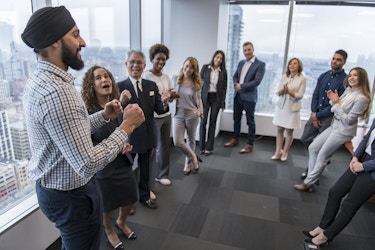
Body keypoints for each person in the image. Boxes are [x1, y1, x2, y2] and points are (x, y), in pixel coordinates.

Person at [21, 6, 144, 250]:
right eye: (76, 34)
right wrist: (127, 126)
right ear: (55, 41)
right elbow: (87, 162)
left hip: (55, 193)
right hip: (72, 198)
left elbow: (67, 132)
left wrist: (103, 116)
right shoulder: (58, 92)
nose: (83, 42)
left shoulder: (42, 80)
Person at [81, 65, 138, 249]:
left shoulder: (116, 105)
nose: (104, 80)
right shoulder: (87, 113)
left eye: (106, 76)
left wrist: (125, 143)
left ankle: (121, 222)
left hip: (122, 161)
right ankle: (109, 229)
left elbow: (122, 130)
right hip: (103, 166)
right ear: (91, 85)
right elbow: (87, 145)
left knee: (130, 197)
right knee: (107, 205)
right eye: (98, 78)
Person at [294, 67, 371, 192]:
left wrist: (336, 103)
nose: (351, 77)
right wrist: (334, 100)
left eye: (355, 75)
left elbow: (349, 120)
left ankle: (308, 182)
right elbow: (336, 107)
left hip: (343, 130)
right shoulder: (348, 91)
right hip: (334, 126)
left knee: (323, 156)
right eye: (350, 75)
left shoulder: (362, 98)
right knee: (313, 148)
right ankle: (314, 176)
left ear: (362, 78)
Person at [303, 117, 375, 246]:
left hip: (372, 169)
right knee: (335, 192)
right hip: (362, 159)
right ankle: (323, 227)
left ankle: (326, 237)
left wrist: (363, 166)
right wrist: (355, 157)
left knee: (349, 205)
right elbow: (367, 139)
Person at [118, 49, 170, 209]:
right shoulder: (119, 87)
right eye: (132, 62)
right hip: (129, 137)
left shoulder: (151, 85)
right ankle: (127, 203)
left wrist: (165, 102)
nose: (135, 65)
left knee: (145, 171)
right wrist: (121, 102)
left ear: (144, 66)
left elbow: (159, 110)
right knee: (126, 173)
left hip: (148, 135)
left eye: (139, 62)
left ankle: (145, 197)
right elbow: (115, 115)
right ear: (126, 64)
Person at [300, 50, 348, 179]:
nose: (334, 61)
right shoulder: (323, 75)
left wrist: (318, 116)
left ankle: (311, 170)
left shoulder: (345, 80)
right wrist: (314, 113)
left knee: (320, 147)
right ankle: (322, 160)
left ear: (344, 62)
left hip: (329, 118)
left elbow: (337, 104)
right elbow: (315, 95)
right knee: (305, 138)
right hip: (317, 113)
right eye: (333, 58)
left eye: (338, 59)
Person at [224, 41, 265, 153]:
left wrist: (241, 86)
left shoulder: (260, 64)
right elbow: (235, 76)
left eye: (249, 49)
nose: (247, 52)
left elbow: (257, 81)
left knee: (250, 121)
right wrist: (236, 85)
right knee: (236, 118)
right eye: (245, 50)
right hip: (238, 96)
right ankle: (236, 138)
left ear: (253, 50)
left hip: (249, 97)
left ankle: (250, 144)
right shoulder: (241, 62)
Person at [143, 44, 174, 186]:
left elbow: (171, 94)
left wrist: (171, 96)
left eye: (164, 59)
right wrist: (160, 98)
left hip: (167, 114)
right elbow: (145, 99)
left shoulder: (166, 77)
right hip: (154, 118)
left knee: (165, 146)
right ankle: (150, 179)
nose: (161, 62)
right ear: (152, 59)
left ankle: (162, 175)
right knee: (153, 148)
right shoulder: (146, 77)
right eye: (159, 59)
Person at [172, 57, 203, 175]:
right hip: (178, 114)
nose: (188, 69)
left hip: (192, 114)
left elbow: (199, 99)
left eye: (191, 67)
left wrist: (200, 111)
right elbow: (171, 95)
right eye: (186, 66)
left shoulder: (196, 83)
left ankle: (187, 164)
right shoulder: (175, 79)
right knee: (178, 142)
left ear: (194, 70)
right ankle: (194, 157)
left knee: (191, 140)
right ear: (183, 65)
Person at [272, 58, 306, 161]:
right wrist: (283, 90)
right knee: (279, 130)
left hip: (293, 108)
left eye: (294, 64)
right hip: (282, 106)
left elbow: (300, 95)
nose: (292, 65)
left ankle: (285, 152)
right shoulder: (284, 77)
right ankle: (278, 151)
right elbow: (278, 93)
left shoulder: (302, 79)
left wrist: (290, 92)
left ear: (299, 66)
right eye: (290, 64)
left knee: (289, 132)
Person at [199, 50, 228, 156]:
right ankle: (201, 146)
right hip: (205, 98)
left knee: (212, 123)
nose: (218, 60)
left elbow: (224, 89)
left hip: (216, 98)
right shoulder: (205, 68)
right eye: (217, 57)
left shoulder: (223, 72)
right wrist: (197, 101)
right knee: (203, 122)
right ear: (213, 57)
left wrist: (223, 103)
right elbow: (199, 84)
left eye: (221, 58)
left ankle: (209, 147)